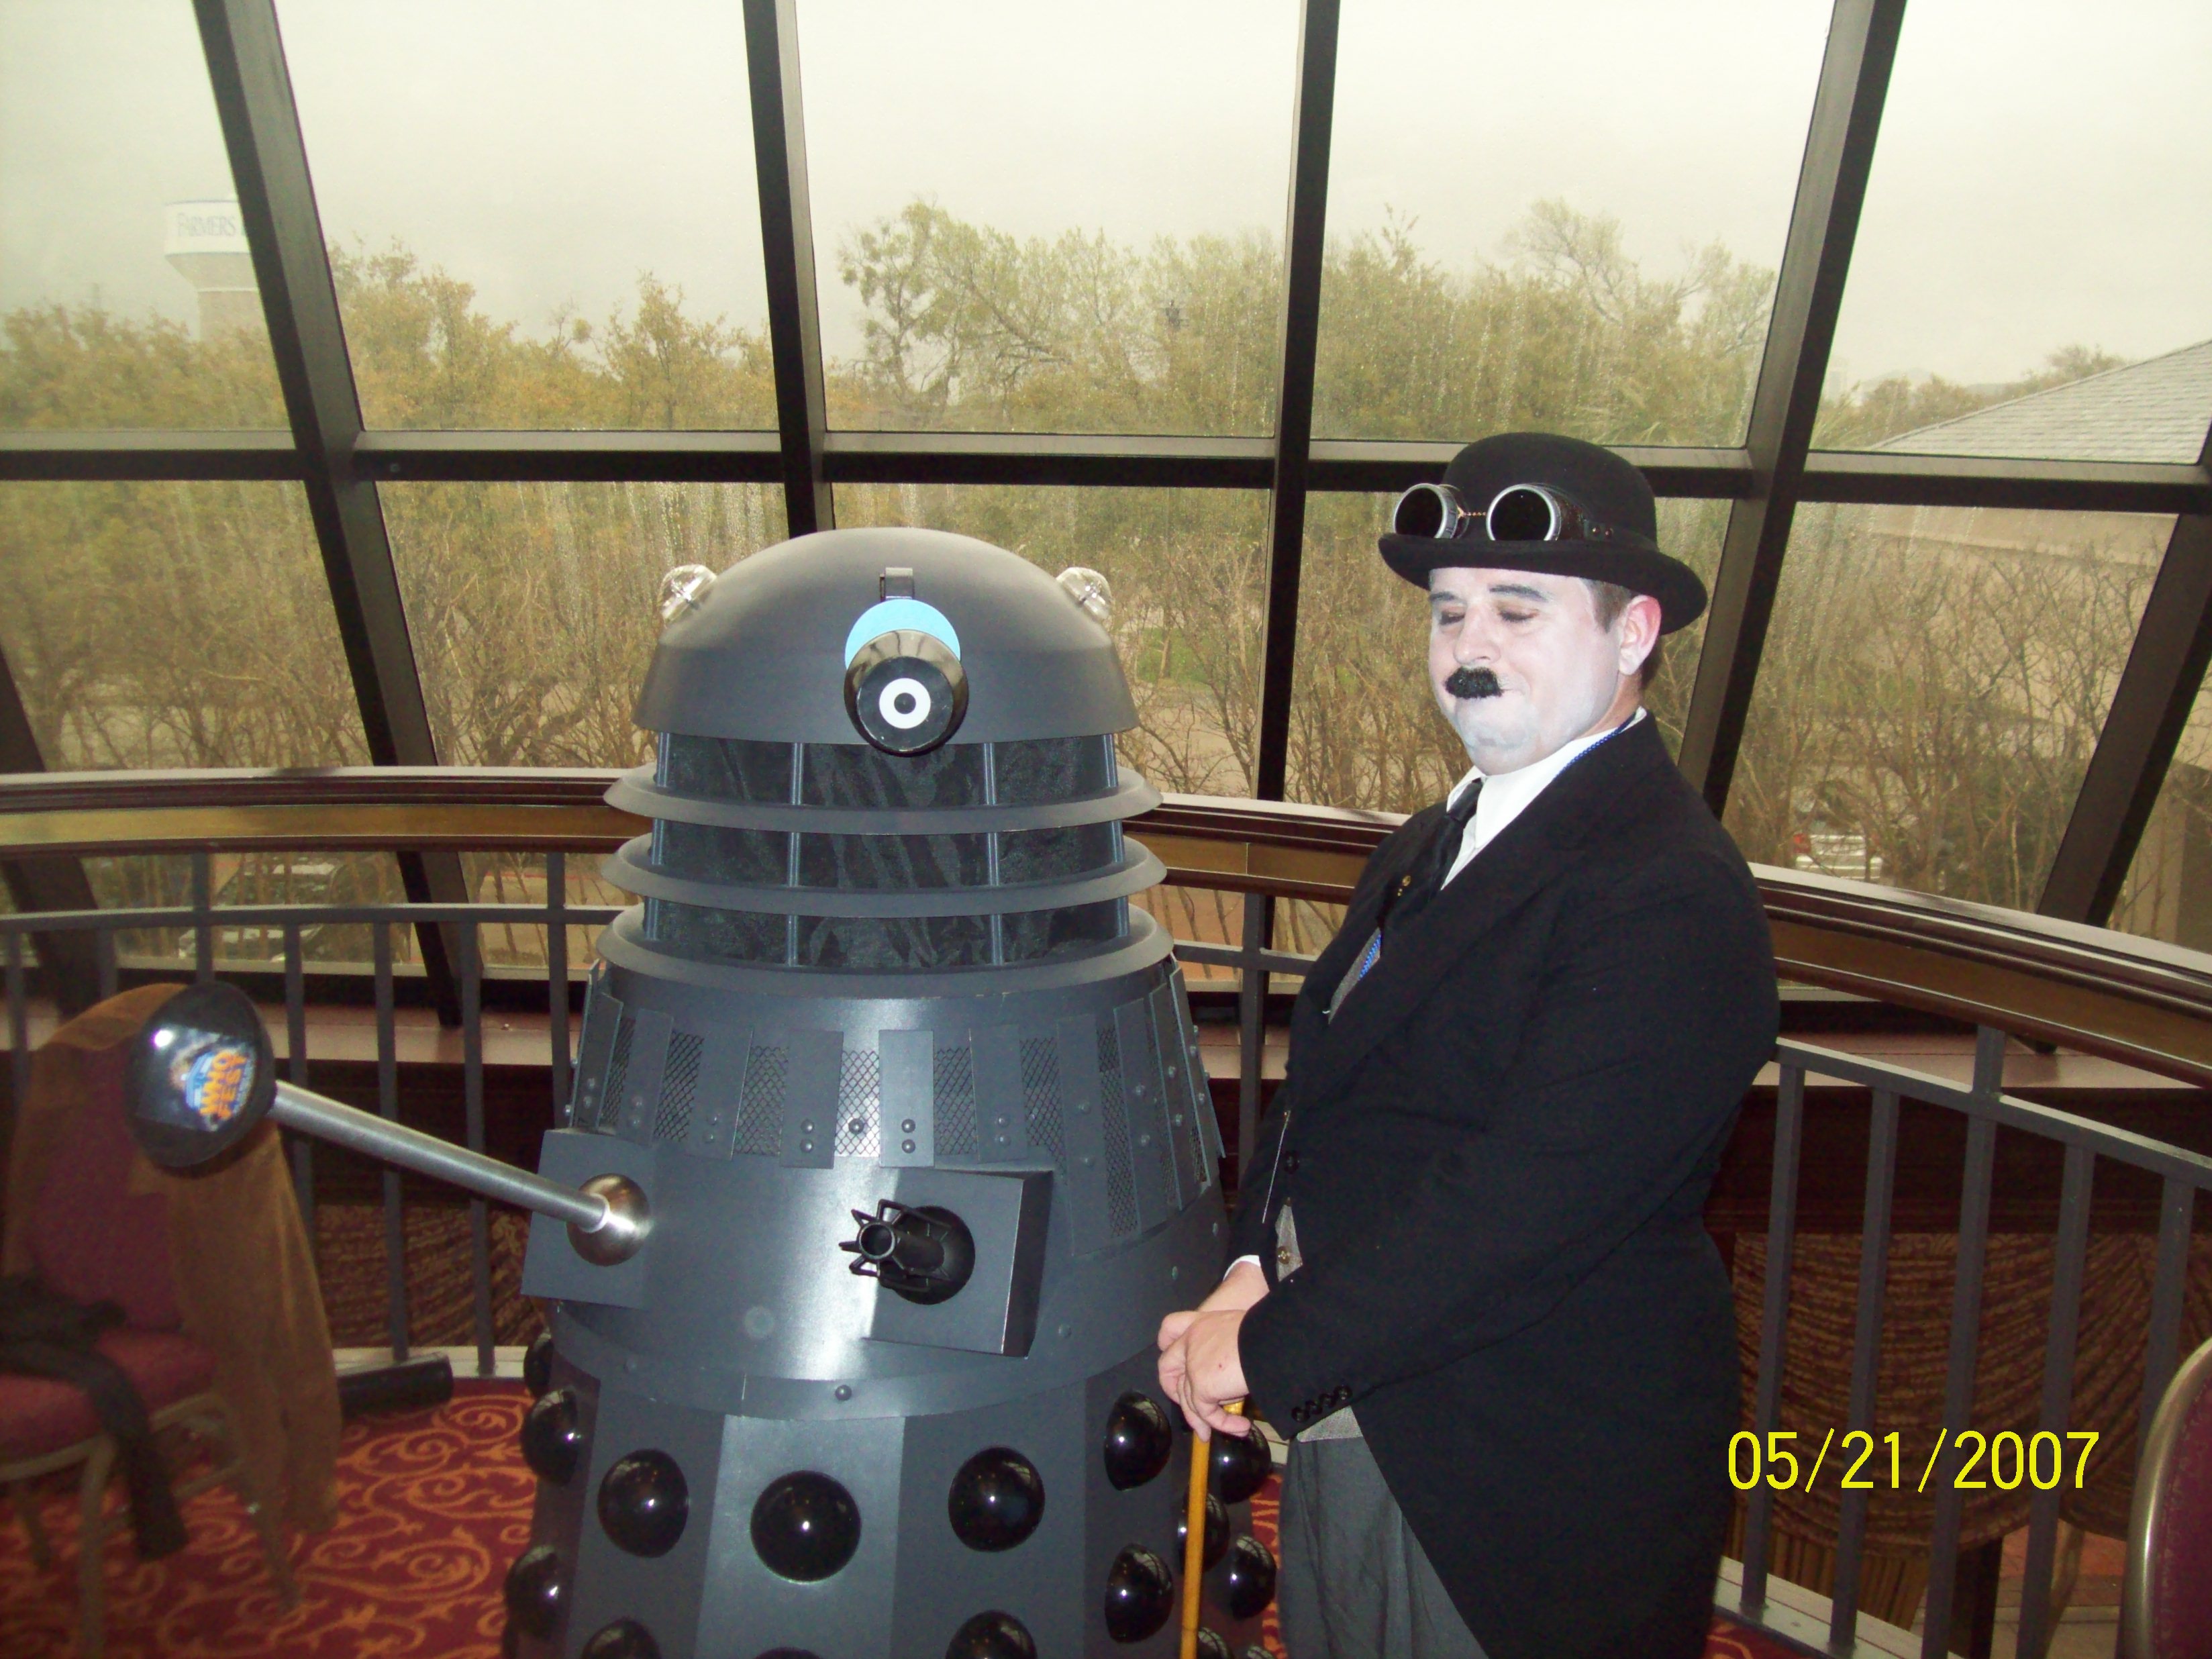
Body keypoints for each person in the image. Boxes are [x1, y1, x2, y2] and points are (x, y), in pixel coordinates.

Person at [1156, 432, 1778, 1659]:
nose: (1468, 648)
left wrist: (1270, 1345)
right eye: (1448, 613)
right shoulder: (1444, 835)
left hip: (1522, 1467)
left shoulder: (1670, 893)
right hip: (1372, 1397)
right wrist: (1251, 1264)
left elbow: (1524, 1206)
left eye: (1517, 610)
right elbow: (1327, 1081)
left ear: (1634, 633)